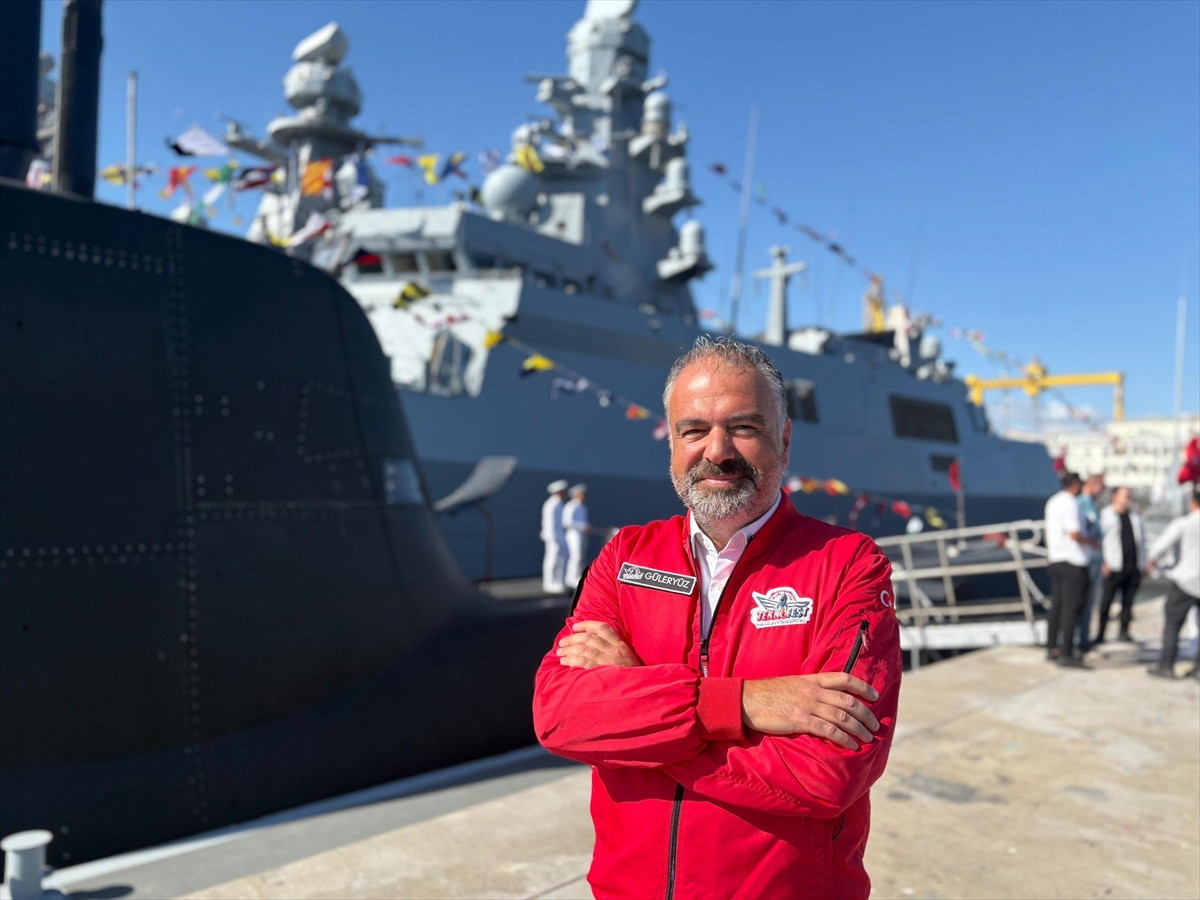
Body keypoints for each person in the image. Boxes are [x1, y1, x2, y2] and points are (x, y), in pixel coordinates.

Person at [533, 336, 901, 899]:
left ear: (784, 439)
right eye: (694, 430)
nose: (718, 451)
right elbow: (559, 716)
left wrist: (636, 701)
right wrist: (742, 704)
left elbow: (832, 771)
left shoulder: (848, 565)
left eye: (744, 427)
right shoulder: (626, 557)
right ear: (671, 441)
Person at [1044, 472, 1096, 667]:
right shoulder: (1070, 502)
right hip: (1073, 561)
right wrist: (1092, 543)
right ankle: (1067, 653)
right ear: (1075, 484)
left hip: (1056, 559)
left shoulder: (1053, 501)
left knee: (1057, 606)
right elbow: (1074, 533)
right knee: (1071, 609)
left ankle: (1052, 647)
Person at [1146, 488, 1200, 680]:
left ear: (1192, 502)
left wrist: (1151, 562)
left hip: (1185, 582)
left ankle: (1166, 666)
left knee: (1172, 625)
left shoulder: (1184, 523)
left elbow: (1160, 546)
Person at [1096, 486, 1145, 643]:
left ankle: (1124, 632)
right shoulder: (1106, 516)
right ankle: (1100, 634)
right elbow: (1099, 540)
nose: (1128, 498)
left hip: (1133, 566)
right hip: (1113, 566)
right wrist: (1103, 562)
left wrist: (1144, 563)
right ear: (1114, 497)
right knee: (1106, 601)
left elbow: (1142, 542)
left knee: (1128, 602)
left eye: (1130, 495)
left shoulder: (1135, 516)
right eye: (1125, 495)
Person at [1075, 474, 1105, 651]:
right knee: (1081, 600)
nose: (1103, 490)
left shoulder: (1092, 504)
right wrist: (1092, 543)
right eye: (1101, 485)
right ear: (1092, 484)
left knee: (1090, 601)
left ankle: (1084, 638)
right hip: (1086, 560)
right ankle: (1078, 638)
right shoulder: (1081, 503)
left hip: (1094, 559)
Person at [541, 480, 569, 593]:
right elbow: (549, 522)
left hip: (559, 536)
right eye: (563, 492)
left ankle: (558, 582)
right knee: (552, 559)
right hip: (554, 537)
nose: (565, 494)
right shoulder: (552, 504)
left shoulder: (558, 503)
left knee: (560, 559)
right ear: (558, 492)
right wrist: (553, 538)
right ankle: (549, 583)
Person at [562, 483, 591, 590]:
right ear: (576, 494)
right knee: (575, 557)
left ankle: (578, 577)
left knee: (581, 557)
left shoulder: (582, 507)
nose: (584, 496)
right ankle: (571, 579)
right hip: (573, 535)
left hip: (582, 535)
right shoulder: (570, 506)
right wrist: (582, 526)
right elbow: (566, 522)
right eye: (581, 494)